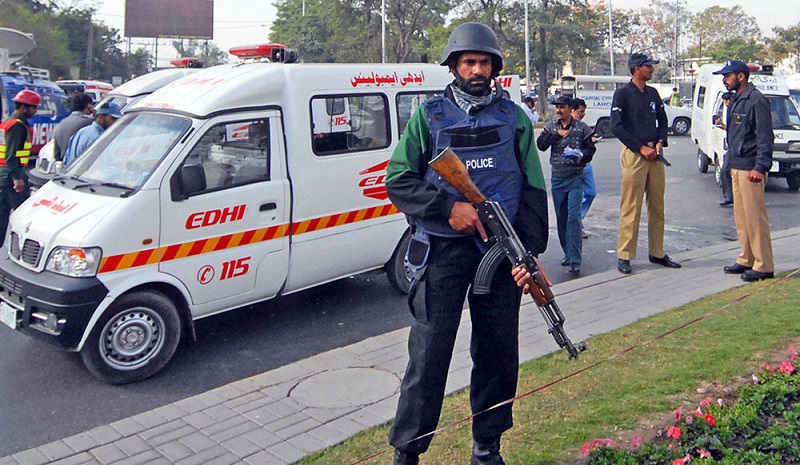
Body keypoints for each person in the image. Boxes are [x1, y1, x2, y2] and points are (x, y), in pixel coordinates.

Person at [385, 22, 548, 465]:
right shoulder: (429, 117)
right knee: (428, 356)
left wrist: (528, 254)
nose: (477, 69)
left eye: (485, 62)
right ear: (455, 66)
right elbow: (399, 180)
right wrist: (448, 208)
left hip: (499, 253)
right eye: (469, 62)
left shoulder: (514, 118)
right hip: (443, 252)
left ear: (495, 67)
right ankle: (407, 451)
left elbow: (533, 189)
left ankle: (487, 446)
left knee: (498, 352)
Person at [611, 53, 681, 274]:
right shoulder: (622, 94)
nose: (652, 69)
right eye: (648, 66)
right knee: (631, 206)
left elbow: (663, 119)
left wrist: (660, 141)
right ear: (636, 68)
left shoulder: (652, 93)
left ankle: (657, 252)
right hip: (635, 154)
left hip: (655, 155)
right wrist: (640, 148)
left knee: (657, 206)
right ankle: (625, 254)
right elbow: (616, 127)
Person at [713, 60, 775, 282]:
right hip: (737, 165)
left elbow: (765, 136)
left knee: (755, 218)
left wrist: (760, 166)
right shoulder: (737, 99)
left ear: (741, 76)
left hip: (750, 168)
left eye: (727, 75)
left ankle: (764, 264)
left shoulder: (756, 100)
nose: (724, 79)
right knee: (742, 218)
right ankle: (747, 257)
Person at [537, 95, 595, 274]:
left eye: (562, 107)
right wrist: (555, 135)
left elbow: (590, 149)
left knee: (573, 217)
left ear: (570, 109)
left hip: (576, 177)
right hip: (558, 179)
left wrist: (580, 156)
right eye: (557, 107)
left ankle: (576, 258)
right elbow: (541, 145)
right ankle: (567, 253)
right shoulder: (551, 126)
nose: (559, 110)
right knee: (562, 218)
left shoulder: (582, 128)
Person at [0, 89, 40, 243]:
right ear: (24, 107)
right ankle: (23, 247)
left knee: (2, 214)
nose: (35, 111)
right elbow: (11, 156)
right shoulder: (17, 126)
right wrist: (17, 179)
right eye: (34, 107)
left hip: (4, 174)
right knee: (23, 215)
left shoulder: (9, 122)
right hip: (11, 175)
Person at [63, 101, 122, 166]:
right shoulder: (98, 138)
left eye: (117, 119)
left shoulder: (81, 131)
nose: (116, 122)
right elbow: (101, 165)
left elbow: (66, 159)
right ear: (101, 117)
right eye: (113, 118)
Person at [571, 98, 598, 238]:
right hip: (573, 166)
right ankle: (576, 225)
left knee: (591, 192)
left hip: (586, 164)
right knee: (575, 197)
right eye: (580, 112)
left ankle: (577, 220)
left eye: (583, 112)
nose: (582, 115)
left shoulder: (584, 126)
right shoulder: (565, 126)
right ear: (572, 111)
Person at [53, 93, 94, 162]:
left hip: (66, 164)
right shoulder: (89, 122)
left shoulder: (61, 124)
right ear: (88, 107)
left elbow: (57, 154)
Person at [717, 91, 735, 206]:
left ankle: (729, 196)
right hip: (732, 146)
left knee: (725, 170)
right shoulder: (731, 110)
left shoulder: (734, 110)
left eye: (725, 101)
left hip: (735, 147)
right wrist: (724, 126)